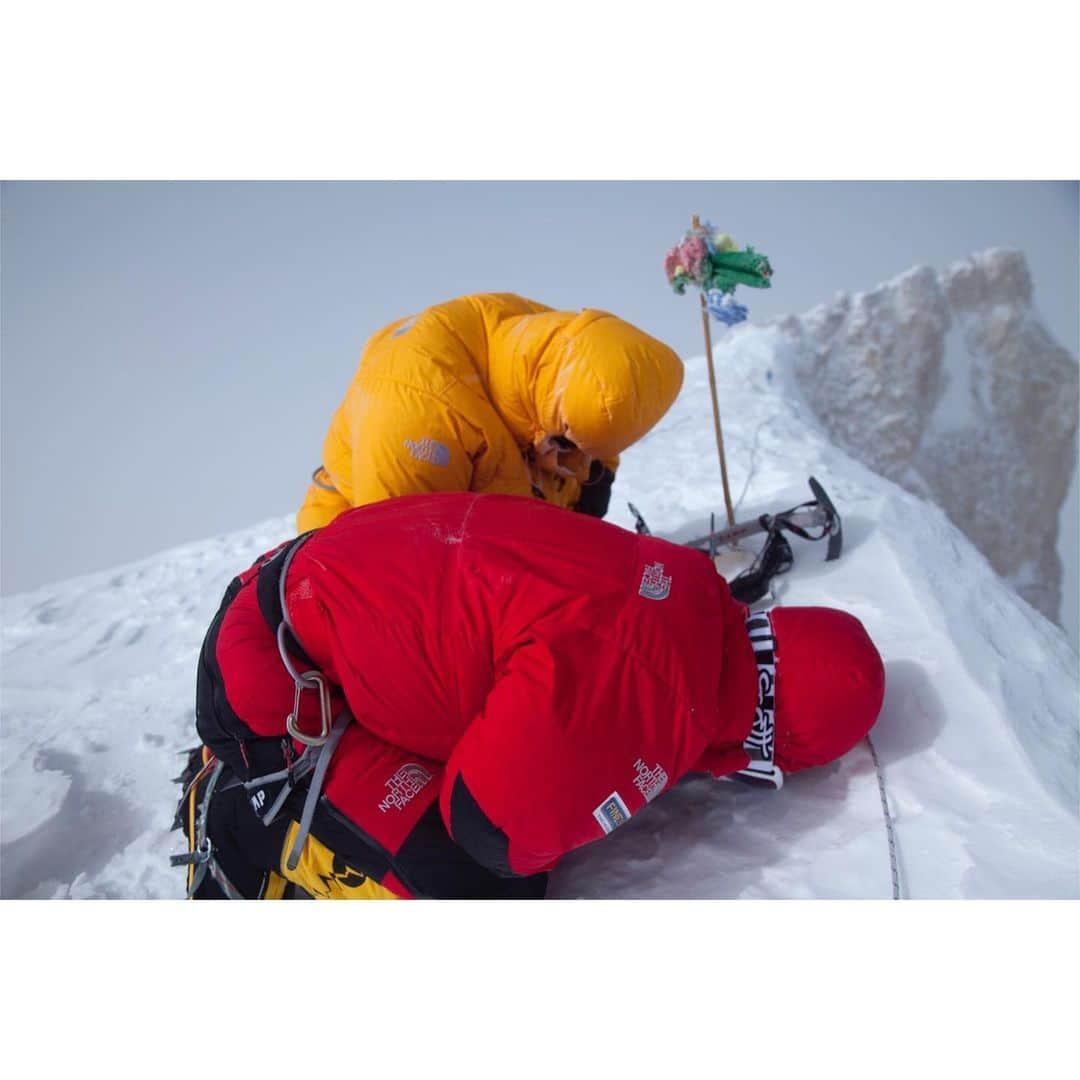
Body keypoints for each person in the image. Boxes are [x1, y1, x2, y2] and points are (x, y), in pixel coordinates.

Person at [174, 492, 886, 900]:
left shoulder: (687, 586)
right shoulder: (663, 699)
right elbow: (491, 828)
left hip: (301, 599)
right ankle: (240, 811)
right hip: (272, 689)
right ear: (771, 746)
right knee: (483, 894)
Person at [295, 293, 685, 532]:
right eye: (569, 447)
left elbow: (599, 408)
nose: (579, 466)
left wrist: (597, 479)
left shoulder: (557, 346)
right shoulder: (418, 416)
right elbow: (407, 572)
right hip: (358, 564)